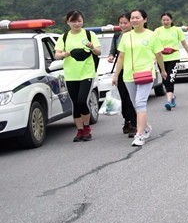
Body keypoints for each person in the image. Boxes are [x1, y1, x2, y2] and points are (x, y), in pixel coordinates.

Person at [112, 9, 168, 148]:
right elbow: (121, 57)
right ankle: (146, 127)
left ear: (145, 19)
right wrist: (115, 75)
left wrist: (162, 70)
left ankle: (140, 134)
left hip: (146, 73)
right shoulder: (126, 36)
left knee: (140, 102)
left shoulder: (151, 35)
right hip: (128, 75)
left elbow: (159, 55)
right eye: (132, 18)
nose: (134, 20)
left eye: (137, 18)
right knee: (136, 104)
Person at [54, 10, 101, 142]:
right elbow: (56, 55)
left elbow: (98, 51)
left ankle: (87, 128)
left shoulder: (89, 34)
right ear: (68, 22)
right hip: (71, 75)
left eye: (79, 21)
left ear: (83, 21)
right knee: (75, 103)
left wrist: (92, 47)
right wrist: (63, 54)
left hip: (86, 73)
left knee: (82, 100)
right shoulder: (63, 37)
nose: (77, 24)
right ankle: (79, 131)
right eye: (73, 21)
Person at [154, 12, 188, 111]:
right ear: (161, 21)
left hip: (174, 57)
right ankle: (172, 97)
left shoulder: (177, 30)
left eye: (167, 20)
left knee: (170, 78)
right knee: (164, 79)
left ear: (171, 20)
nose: (166, 22)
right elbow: (153, 45)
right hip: (161, 58)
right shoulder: (157, 31)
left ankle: (169, 101)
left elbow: (184, 43)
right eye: (164, 20)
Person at [109, 12, 138, 138]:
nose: (122, 25)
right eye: (120, 23)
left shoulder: (137, 35)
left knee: (132, 99)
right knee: (124, 98)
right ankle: (127, 120)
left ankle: (134, 124)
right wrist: (110, 56)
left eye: (125, 23)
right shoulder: (117, 37)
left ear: (131, 23)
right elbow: (113, 52)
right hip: (121, 71)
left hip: (135, 70)